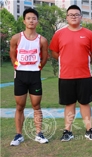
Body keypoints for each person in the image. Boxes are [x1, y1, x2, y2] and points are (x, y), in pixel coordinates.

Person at [49, 5, 92, 141]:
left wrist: (84, 61)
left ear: (81, 17)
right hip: (66, 76)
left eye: (76, 14)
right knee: (69, 104)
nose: (74, 16)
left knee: (84, 103)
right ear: (66, 17)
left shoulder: (89, 34)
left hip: (85, 75)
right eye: (71, 14)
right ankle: (67, 131)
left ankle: (89, 130)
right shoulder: (59, 34)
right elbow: (54, 52)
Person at [9, 8, 49, 146]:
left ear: (37, 21)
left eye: (34, 18)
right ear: (24, 21)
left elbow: (45, 57)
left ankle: (39, 133)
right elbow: (12, 53)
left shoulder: (42, 40)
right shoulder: (16, 37)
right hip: (20, 75)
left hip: (34, 76)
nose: (31, 20)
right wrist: (16, 65)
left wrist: (39, 67)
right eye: (28, 18)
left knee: (36, 106)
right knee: (20, 106)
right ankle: (18, 135)